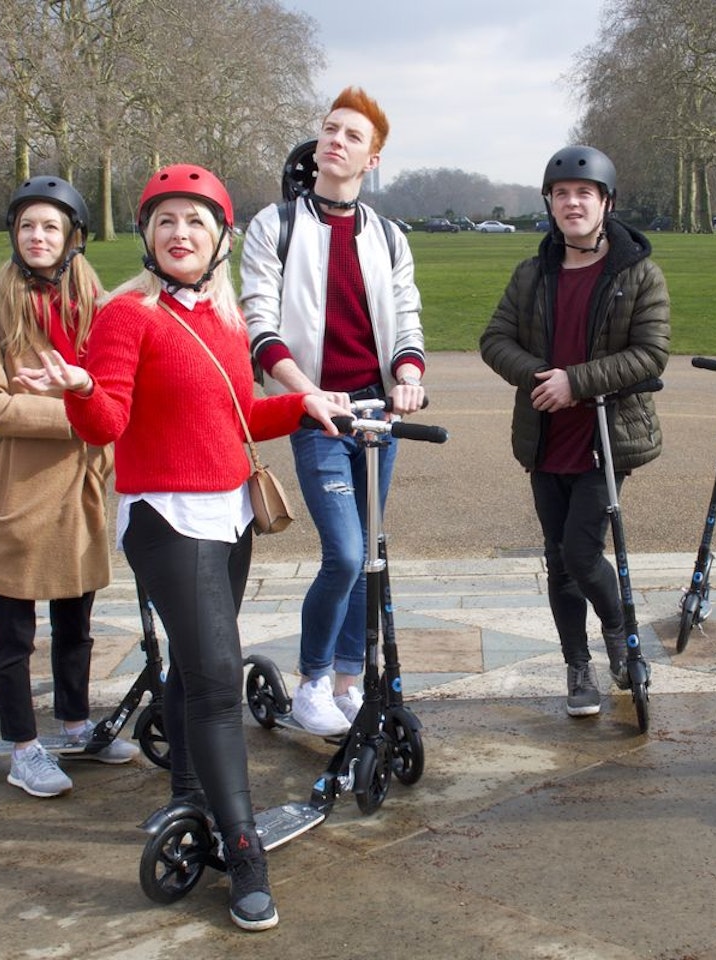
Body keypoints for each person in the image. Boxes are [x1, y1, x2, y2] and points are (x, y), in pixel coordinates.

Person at [15, 164, 345, 931]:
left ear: (219, 237)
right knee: (220, 679)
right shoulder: (129, 317)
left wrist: (306, 404)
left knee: (200, 675)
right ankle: (243, 852)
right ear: (148, 237)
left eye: (195, 221)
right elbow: (106, 424)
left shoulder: (226, 322)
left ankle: (191, 794)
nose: (180, 234)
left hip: (230, 515)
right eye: (165, 221)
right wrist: (76, 386)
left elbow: (232, 421)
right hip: (167, 519)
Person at [240, 87, 427, 736]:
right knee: (344, 555)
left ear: (371, 159)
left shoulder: (388, 237)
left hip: (378, 419)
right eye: (329, 129)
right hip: (317, 415)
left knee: (370, 553)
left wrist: (408, 372)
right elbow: (259, 326)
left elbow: (407, 316)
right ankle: (312, 681)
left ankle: (350, 682)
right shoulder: (277, 226)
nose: (335, 140)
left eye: (351, 135)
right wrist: (304, 393)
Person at [479, 145, 670, 718]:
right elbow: (494, 339)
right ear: (550, 203)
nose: (572, 203)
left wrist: (576, 383)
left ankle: (619, 636)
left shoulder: (637, 272)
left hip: (605, 441)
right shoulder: (533, 272)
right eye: (561, 194)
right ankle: (577, 668)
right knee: (557, 559)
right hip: (544, 440)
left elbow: (652, 353)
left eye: (584, 193)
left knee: (582, 552)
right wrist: (540, 378)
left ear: (606, 202)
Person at [0, 176, 133, 800]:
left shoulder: (97, 308)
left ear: (72, 240)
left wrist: (92, 405)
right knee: (13, 631)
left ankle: (74, 722)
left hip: (78, 489)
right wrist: (80, 414)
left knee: (76, 621)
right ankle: (23, 747)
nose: (38, 237)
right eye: (28, 226)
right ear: (14, 235)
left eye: (51, 228)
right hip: (17, 490)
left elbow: (117, 390)